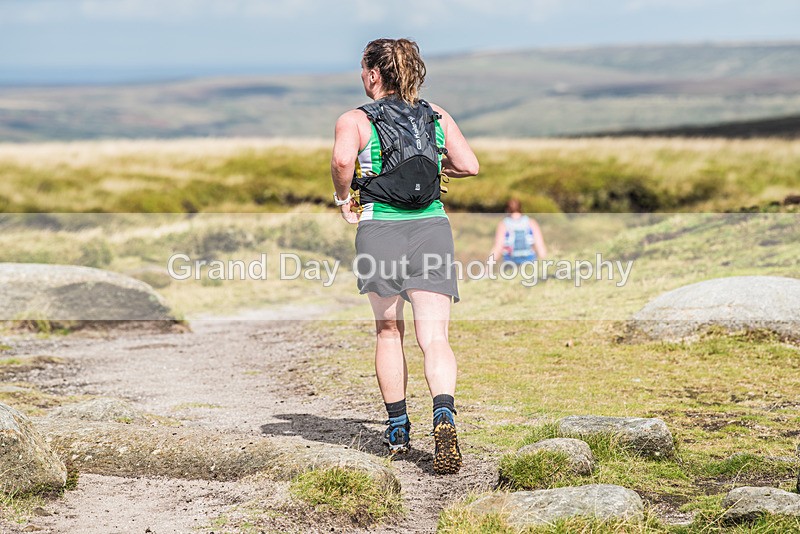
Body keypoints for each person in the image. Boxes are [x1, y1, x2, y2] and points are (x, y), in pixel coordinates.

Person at [330, 38, 479, 475]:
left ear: (374, 74)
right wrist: (437, 167)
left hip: (380, 229)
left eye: (363, 70)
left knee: (388, 331)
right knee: (434, 337)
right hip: (432, 226)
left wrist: (344, 199)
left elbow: (342, 160)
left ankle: (397, 428)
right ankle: (444, 414)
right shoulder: (436, 116)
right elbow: (469, 165)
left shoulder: (354, 119)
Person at [490, 198, 547, 264]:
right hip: (529, 261)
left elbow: (498, 247)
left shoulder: (503, 224)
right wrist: (545, 265)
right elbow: (540, 245)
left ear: (507, 209)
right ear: (521, 208)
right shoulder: (531, 222)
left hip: (510, 261)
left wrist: (488, 266)